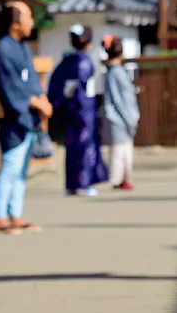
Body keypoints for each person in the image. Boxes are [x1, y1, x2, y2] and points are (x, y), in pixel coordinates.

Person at [0, 0, 52, 233]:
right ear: (15, 22)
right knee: (10, 166)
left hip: (29, 117)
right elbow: (12, 87)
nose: (31, 22)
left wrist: (42, 99)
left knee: (21, 169)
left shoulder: (23, 49)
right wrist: (36, 102)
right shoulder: (4, 50)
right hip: (14, 118)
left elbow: (32, 82)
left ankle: (15, 213)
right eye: (27, 17)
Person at [49, 23, 108, 196]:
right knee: (84, 146)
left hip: (72, 109)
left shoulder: (67, 61)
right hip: (83, 110)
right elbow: (78, 84)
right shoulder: (83, 61)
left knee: (73, 146)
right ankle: (83, 183)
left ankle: (72, 184)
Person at [100, 34, 139, 190]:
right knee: (120, 151)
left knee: (120, 151)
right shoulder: (117, 72)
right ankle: (119, 180)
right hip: (120, 117)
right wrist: (131, 117)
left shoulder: (111, 72)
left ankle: (121, 179)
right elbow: (122, 99)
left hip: (116, 116)